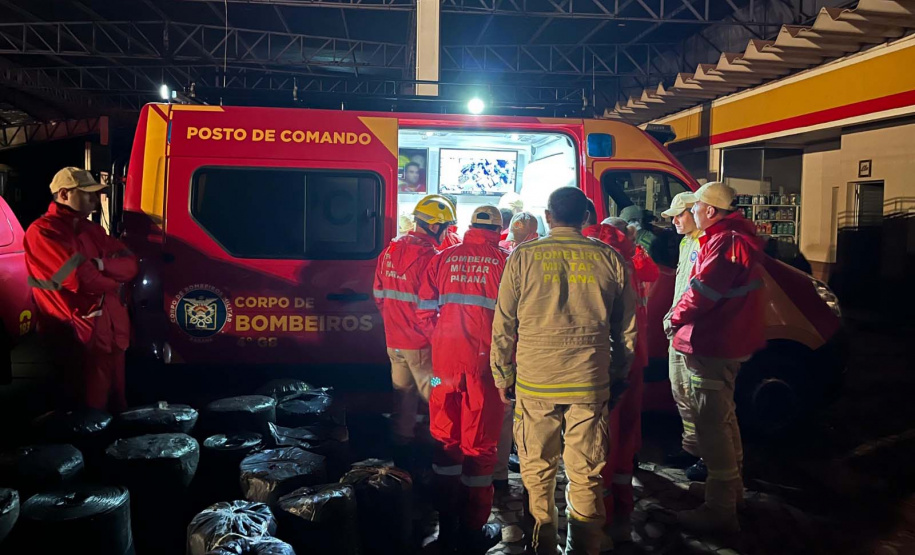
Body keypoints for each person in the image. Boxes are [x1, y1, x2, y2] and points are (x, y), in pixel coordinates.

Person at [491, 187, 638, 555]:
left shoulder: (523, 256)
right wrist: (619, 375)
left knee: (537, 473)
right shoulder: (610, 258)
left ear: (548, 215)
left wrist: (502, 375)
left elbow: (504, 322)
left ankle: (541, 547)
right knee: (586, 473)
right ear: (587, 217)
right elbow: (628, 330)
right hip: (589, 380)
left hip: (536, 381)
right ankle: (583, 547)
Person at [668, 182, 765, 533]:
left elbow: (703, 292)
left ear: (710, 211)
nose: (692, 213)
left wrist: (674, 318)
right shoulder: (732, 237)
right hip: (725, 340)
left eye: (696, 208)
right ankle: (731, 491)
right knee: (723, 418)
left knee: (712, 425)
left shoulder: (725, 242)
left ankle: (720, 510)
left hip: (715, 342)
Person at [418, 205, 508, 554]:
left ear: (469, 227)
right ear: (500, 231)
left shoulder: (442, 258)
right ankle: (472, 528)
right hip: (483, 370)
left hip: (443, 370)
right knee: (480, 448)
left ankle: (446, 524)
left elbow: (423, 312)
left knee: (443, 440)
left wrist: (442, 342)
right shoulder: (505, 262)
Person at [24, 167, 138, 413]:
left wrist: (102, 265)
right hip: (76, 337)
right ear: (64, 194)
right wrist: (114, 280)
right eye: (88, 194)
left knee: (117, 405)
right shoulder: (43, 232)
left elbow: (130, 263)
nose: (95, 200)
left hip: (109, 333)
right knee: (86, 412)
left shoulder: (90, 229)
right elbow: (80, 279)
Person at [583, 215, 658, 549]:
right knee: (627, 433)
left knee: (600, 438)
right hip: (635, 357)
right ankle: (622, 508)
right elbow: (652, 275)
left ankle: (601, 512)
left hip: (606, 361)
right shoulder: (629, 259)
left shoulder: (596, 259)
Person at [374, 194, 457, 469]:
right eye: (446, 227)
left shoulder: (388, 251)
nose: (447, 233)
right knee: (435, 392)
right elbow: (430, 307)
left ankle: (402, 456)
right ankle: (436, 459)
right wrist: (440, 339)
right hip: (420, 347)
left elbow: (378, 296)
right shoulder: (431, 258)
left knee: (403, 396)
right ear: (435, 226)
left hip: (394, 343)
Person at [660, 192, 705, 476]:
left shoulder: (705, 243)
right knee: (681, 390)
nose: (675, 220)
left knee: (699, 394)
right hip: (680, 327)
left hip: (694, 331)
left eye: (680, 214)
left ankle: (706, 455)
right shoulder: (687, 242)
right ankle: (691, 447)